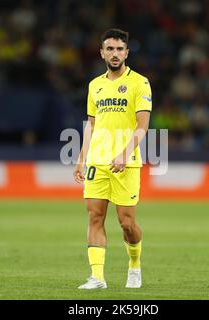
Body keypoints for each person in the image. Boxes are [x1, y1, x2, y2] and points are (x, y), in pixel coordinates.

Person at [73, 29, 152, 289]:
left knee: (126, 223)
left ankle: (134, 263)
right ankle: (97, 277)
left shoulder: (140, 83)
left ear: (127, 53)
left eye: (120, 49)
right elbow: (90, 125)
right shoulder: (94, 85)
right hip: (97, 161)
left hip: (126, 162)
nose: (115, 54)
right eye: (110, 49)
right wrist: (81, 158)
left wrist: (125, 152)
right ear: (102, 53)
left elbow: (142, 126)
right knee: (95, 217)